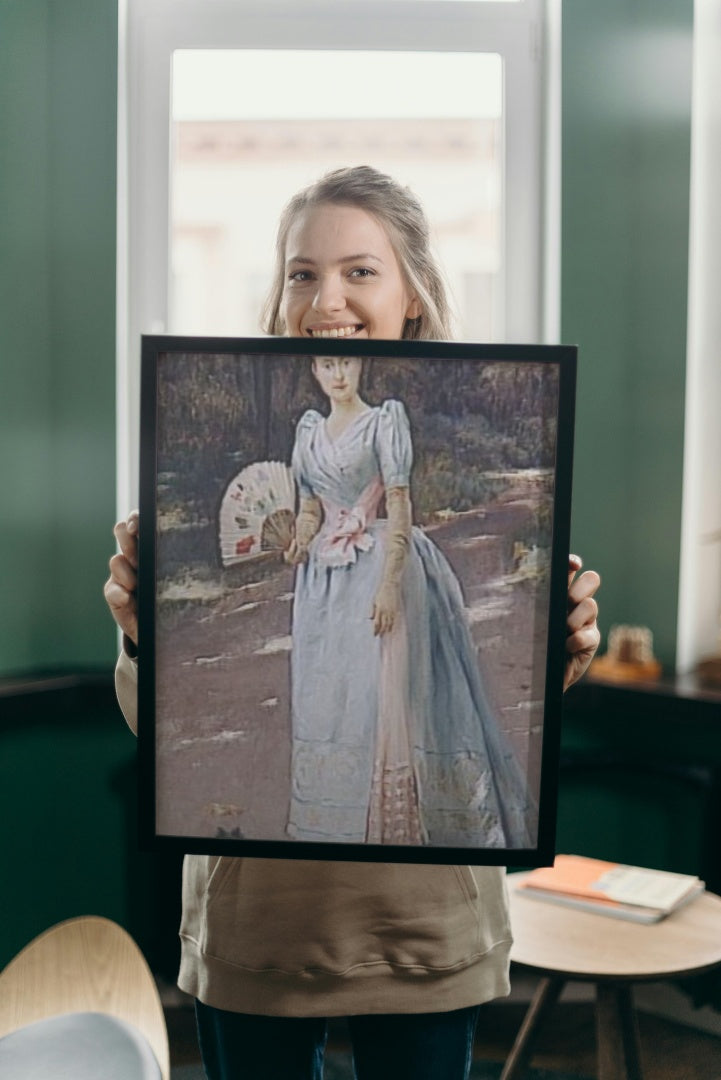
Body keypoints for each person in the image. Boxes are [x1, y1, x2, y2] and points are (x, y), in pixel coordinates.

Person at [105, 166, 601, 1080]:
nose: (325, 299)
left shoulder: (400, 420)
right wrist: (146, 637)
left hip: (421, 927)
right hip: (257, 928)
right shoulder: (292, 426)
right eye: (301, 273)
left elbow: (503, 683)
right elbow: (160, 733)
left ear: (411, 293)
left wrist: (555, 651)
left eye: (359, 271)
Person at [285, 354, 534, 849]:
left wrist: (390, 584)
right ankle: (337, 836)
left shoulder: (383, 422)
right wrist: (297, 542)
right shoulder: (309, 431)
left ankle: (393, 831)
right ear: (314, 371)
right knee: (333, 701)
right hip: (323, 583)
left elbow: (399, 507)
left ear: (360, 367)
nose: (338, 375)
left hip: (379, 561)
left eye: (347, 364)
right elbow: (310, 507)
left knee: (386, 697)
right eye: (327, 365)